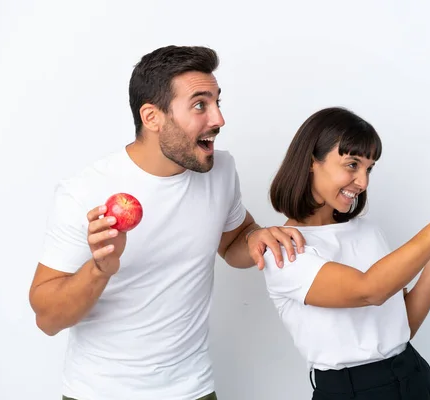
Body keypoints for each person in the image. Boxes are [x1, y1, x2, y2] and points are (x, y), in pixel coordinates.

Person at [28, 45, 306, 400]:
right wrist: (100, 269)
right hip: (98, 393)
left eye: (218, 102)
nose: (218, 119)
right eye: (200, 105)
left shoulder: (219, 171)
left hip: (193, 390)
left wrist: (255, 238)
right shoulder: (85, 191)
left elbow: (234, 240)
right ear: (152, 117)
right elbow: (47, 320)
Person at [262, 107, 430, 399]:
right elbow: (370, 290)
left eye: (369, 168)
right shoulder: (284, 249)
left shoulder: (367, 230)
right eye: (352, 165)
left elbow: (404, 326)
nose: (363, 182)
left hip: (412, 374)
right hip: (351, 391)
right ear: (312, 161)